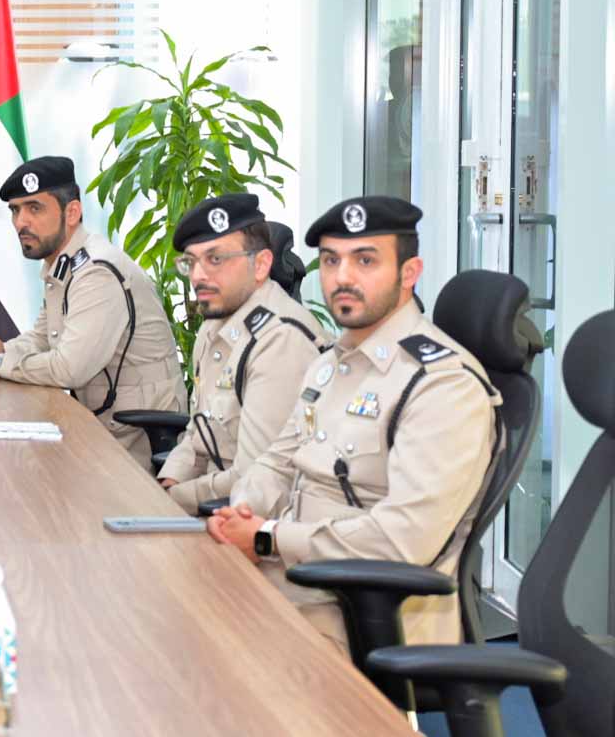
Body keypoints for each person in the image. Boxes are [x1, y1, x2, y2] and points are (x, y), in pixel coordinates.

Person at [208, 196, 502, 651]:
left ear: (409, 273)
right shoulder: (331, 364)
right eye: (330, 260)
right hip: (293, 583)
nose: (343, 277)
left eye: (365, 260)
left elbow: (401, 541)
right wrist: (243, 512)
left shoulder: (442, 385)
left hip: (369, 615)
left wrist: (267, 539)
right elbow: (278, 462)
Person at [0, 156, 185, 462]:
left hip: (133, 435)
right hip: (98, 422)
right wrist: (1, 350)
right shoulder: (64, 263)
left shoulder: (96, 272)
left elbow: (70, 369)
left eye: (34, 208)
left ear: (73, 212)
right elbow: (41, 336)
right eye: (15, 210)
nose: (21, 222)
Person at [157, 194, 324, 513]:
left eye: (215, 259)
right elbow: (198, 431)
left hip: (254, 523)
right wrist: (170, 481)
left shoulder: (281, 340)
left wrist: (172, 501)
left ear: (260, 265)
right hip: (210, 506)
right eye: (191, 262)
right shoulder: (213, 326)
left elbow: (258, 478)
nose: (198, 276)